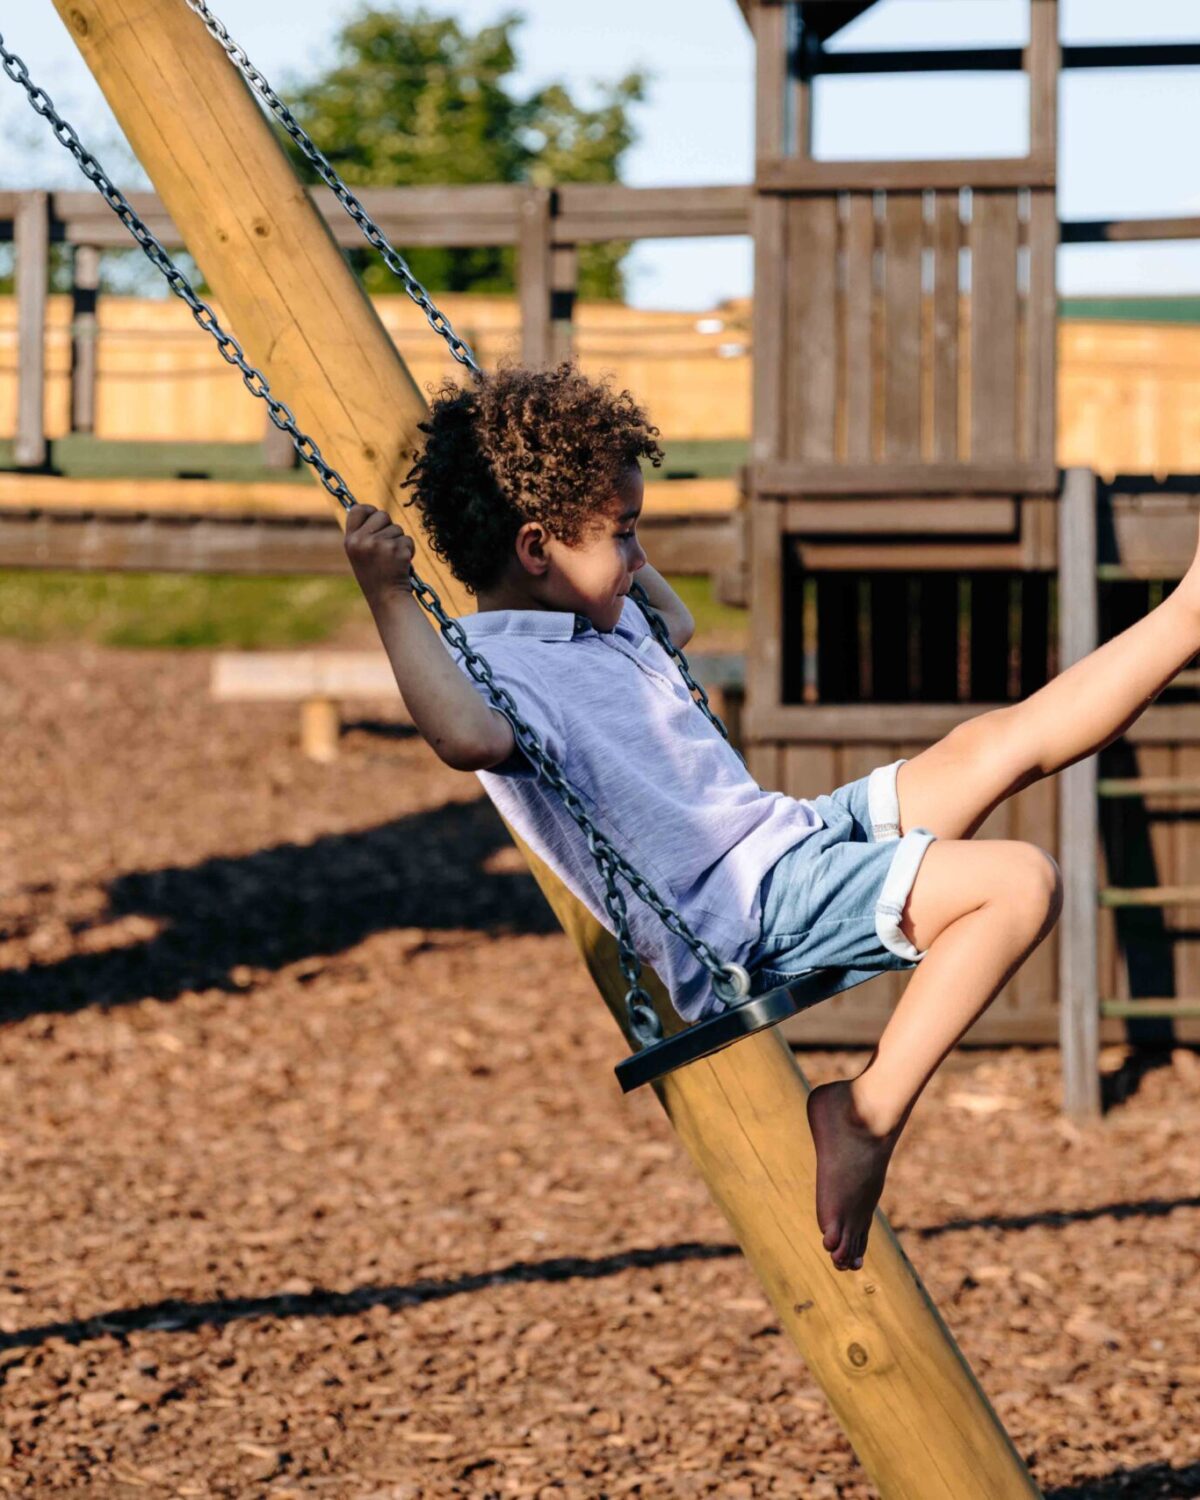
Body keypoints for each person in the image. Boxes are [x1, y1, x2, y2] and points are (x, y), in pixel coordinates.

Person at [345, 363, 1193, 1274]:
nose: (637, 559)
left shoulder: (610, 616)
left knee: (996, 744)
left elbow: (664, 612)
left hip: (786, 841)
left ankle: (1188, 616)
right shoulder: (485, 667)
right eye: (624, 534)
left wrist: (596, 516)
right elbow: (465, 740)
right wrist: (390, 595)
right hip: (738, 913)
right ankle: (864, 1112)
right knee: (1018, 882)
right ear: (537, 548)